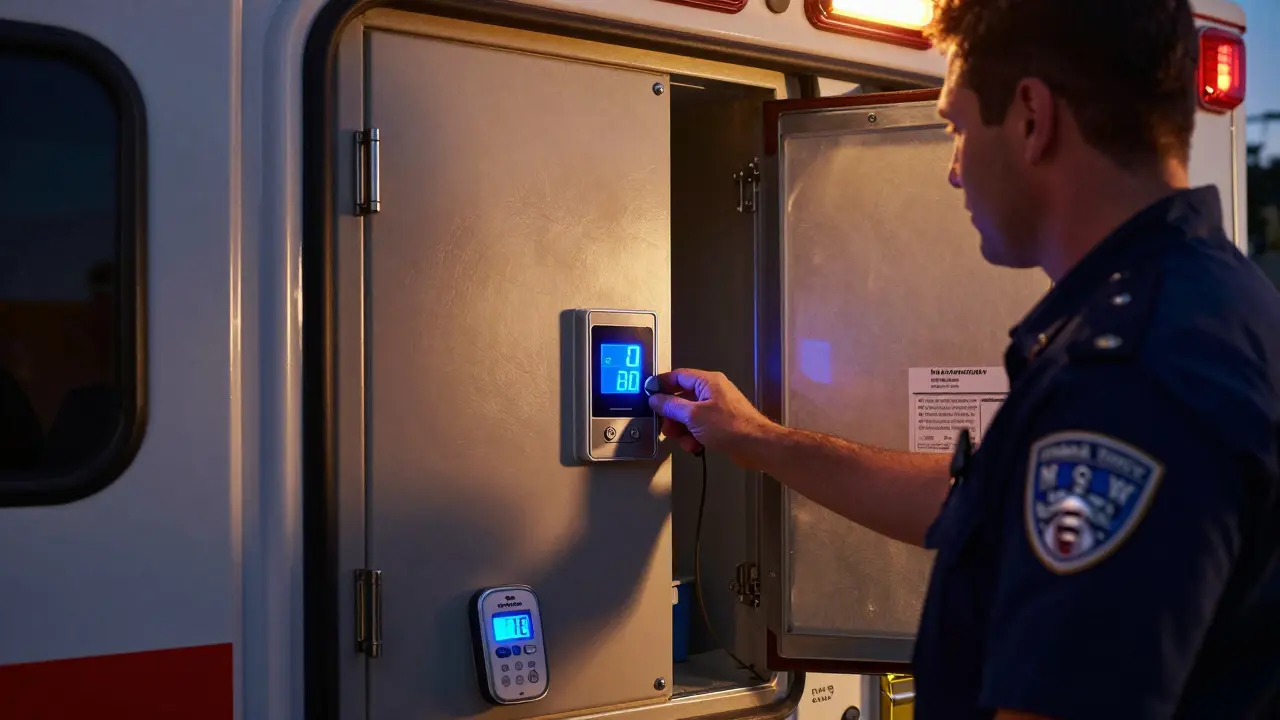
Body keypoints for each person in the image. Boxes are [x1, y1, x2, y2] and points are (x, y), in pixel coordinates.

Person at [647, 1, 1280, 718]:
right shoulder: (1219, 306)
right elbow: (977, 506)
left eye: (955, 126)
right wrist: (757, 439)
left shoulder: (1130, 375)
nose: (952, 170)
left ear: (1032, 118)